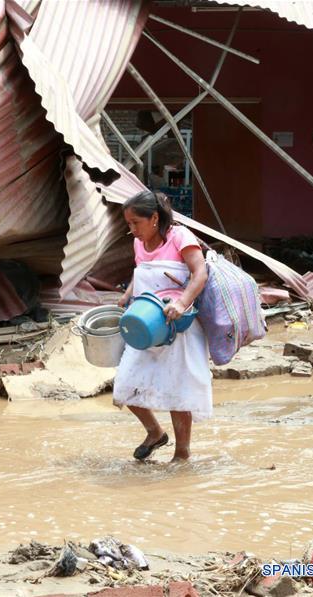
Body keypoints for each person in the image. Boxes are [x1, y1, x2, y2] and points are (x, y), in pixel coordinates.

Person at [114, 190, 211, 462]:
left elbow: (199, 272)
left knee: (177, 389)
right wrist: (127, 294)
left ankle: (182, 454)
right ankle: (155, 432)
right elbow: (142, 273)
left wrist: (181, 304)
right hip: (146, 325)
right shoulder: (138, 244)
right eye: (129, 224)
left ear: (154, 218)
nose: (132, 230)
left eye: (136, 223)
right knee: (125, 386)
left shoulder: (180, 237)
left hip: (177, 326)